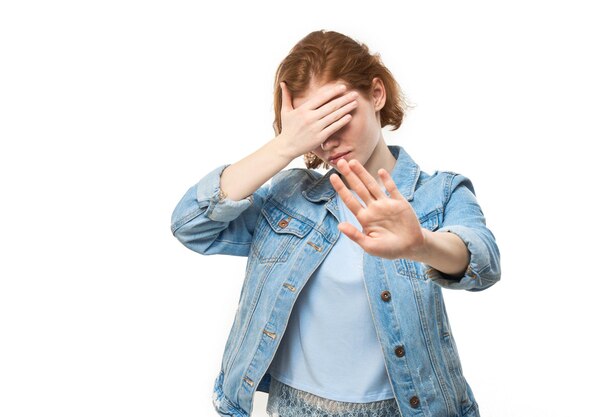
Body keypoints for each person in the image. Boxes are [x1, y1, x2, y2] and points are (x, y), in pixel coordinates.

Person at [171, 30, 501, 417]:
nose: (328, 142)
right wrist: (284, 146)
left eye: (338, 118)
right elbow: (190, 225)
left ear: (376, 95)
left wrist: (421, 245)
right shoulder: (289, 197)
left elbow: (484, 262)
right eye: (313, 129)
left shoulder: (440, 192)